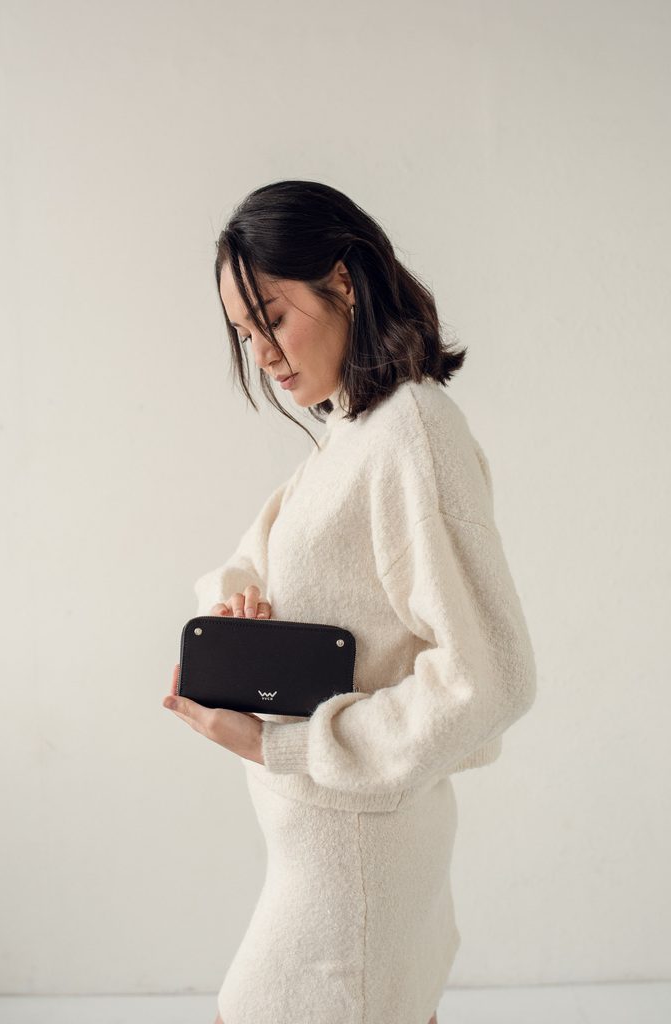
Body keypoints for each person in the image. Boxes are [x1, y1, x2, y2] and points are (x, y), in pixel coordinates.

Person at [162, 180, 537, 1024]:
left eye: (272, 317)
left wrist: (284, 746)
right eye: (244, 332)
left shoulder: (413, 431)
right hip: (340, 862)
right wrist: (239, 608)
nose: (261, 352)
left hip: (351, 878)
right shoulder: (350, 435)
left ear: (342, 281)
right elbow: (251, 561)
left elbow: (491, 678)